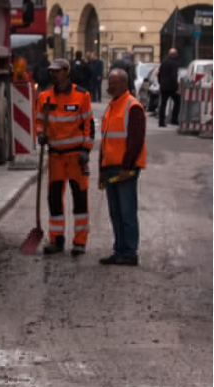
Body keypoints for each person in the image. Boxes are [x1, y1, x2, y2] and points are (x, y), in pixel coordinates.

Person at [35, 58, 94, 256]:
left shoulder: (82, 95)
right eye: (51, 71)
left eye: (57, 71)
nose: (53, 74)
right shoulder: (44, 97)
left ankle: (79, 242)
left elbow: (89, 125)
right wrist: (40, 134)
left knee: (79, 199)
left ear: (66, 73)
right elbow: (39, 121)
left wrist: (86, 149)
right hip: (55, 157)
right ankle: (56, 240)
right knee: (54, 199)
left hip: (76, 156)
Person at [98, 68, 146, 266]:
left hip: (125, 168)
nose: (109, 86)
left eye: (113, 83)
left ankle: (129, 252)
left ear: (124, 84)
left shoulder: (132, 106)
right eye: (109, 82)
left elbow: (135, 140)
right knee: (115, 213)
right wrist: (101, 169)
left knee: (126, 212)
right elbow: (106, 141)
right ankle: (119, 250)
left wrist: (127, 167)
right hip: (111, 168)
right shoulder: (112, 106)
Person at [158, 48, 181, 127]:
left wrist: (160, 83)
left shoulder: (164, 62)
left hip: (163, 86)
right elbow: (174, 76)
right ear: (175, 55)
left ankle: (161, 121)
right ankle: (174, 119)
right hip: (171, 87)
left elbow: (159, 74)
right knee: (177, 101)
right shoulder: (175, 64)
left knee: (163, 103)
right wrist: (176, 87)